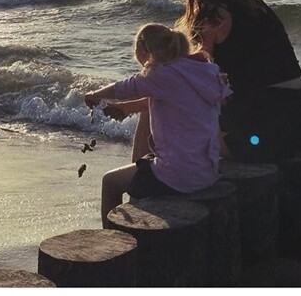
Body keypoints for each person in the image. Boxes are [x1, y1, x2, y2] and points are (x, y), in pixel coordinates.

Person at [169, 0, 301, 162]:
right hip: (300, 124)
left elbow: (198, 79)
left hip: (267, 134)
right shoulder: (253, 4)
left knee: (164, 100)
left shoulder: (212, 16)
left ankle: (147, 171)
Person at [84, 23, 231, 225]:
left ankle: (113, 237)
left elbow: (124, 87)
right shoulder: (201, 71)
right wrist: (128, 108)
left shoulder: (161, 73)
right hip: (207, 170)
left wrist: (94, 95)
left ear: (143, 49)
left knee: (110, 182)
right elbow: (173, 99)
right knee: (144, 163)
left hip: (179, 177)